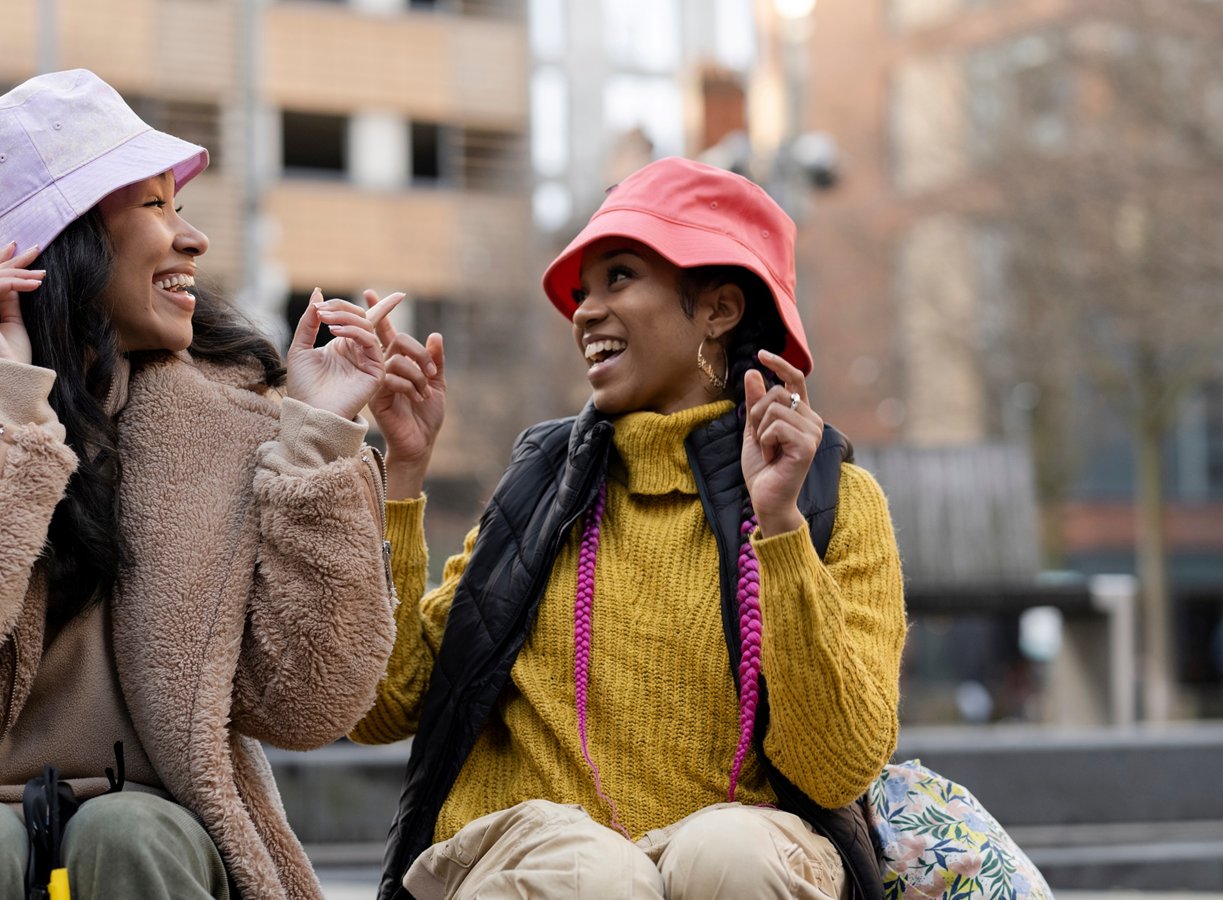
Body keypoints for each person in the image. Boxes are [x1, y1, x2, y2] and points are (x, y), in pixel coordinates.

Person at [0, 69, 400, 900]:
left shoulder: (231, 419)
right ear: (60, 243)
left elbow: (308, 702)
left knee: (132, 829)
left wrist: (320, 440)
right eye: (153, 207)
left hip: (162, 827)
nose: (193, 240)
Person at [351, 157, 908, 900]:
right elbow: (384, 705)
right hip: (542, 863)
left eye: (619, 277)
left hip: (737, 863)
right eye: (582, 291)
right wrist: (403, 476)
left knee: (729, 853)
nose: (584, 311)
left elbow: (837, 768)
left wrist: (778, 529)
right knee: (592, 873)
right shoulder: (536, 486)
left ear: (718, 309)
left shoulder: (833, 501)